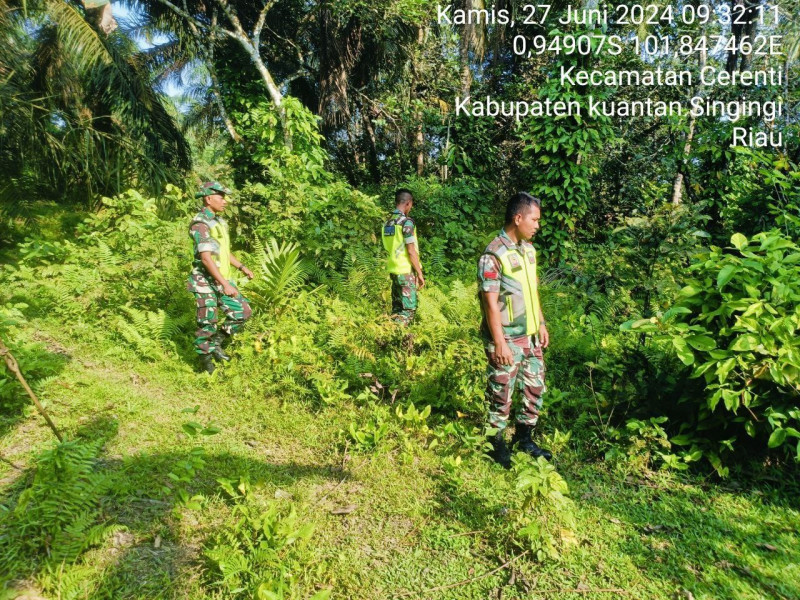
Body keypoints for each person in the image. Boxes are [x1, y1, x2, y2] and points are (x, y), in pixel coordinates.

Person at [477, 192, 552, 468]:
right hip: (507, 338)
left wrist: (541, 323)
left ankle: (524, 438)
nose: (537, 225)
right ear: (518, 218)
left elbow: (532, 290)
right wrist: (499, 343)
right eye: (534, 219)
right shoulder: (494, 254)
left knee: (534, 389)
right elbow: (490, 304)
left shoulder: (528, 250)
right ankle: (493, 443)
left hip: (531, 338)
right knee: (501, 393)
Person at [187, 181, 254, 374]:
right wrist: (225, 284)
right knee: (207, 323)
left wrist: (241, 266)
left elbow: (223, 252)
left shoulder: (219, 222)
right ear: (208, 199)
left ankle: (217, 343)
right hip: (205, 283)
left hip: (222, 279)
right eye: (221, 197)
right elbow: (206, 259)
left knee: (243, 311)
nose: (225, 201)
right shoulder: (200, 224)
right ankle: (206, 366)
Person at [382, 189, 425, 325]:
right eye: (411, 205)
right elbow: (411, 250)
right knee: (408, 311)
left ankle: (390, 339)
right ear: (408, 203)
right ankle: (397, 339)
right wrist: (419, 273)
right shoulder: (406, 223)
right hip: (406, 272)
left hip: (393, 271)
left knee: (396, 310)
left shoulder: (387, 223)